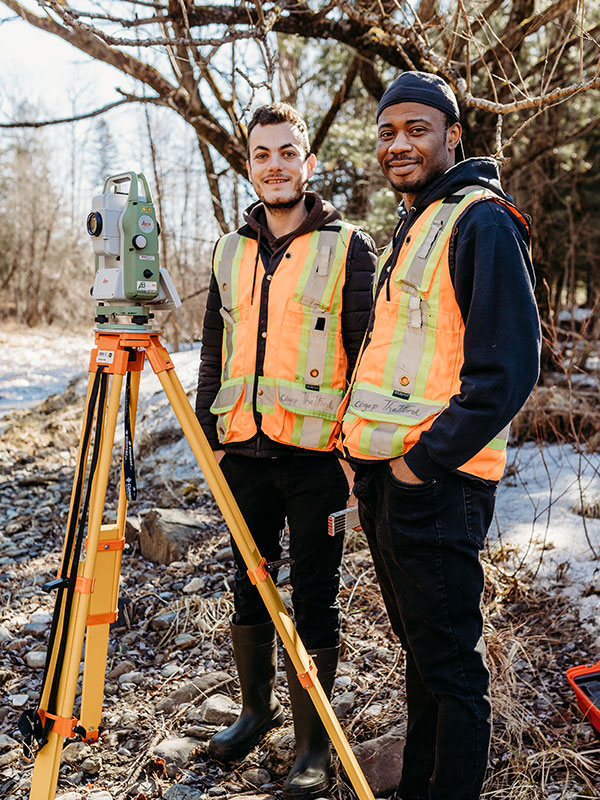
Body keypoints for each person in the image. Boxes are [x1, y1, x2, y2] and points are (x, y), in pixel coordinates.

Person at [339, 72, 541, 800]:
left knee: (453, 672)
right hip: (392, 483)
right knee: (424, 657)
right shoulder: (419, 218)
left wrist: (421, 465)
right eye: (389, 132)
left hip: (437, 486)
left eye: (417, 129)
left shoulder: (480, 220)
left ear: (453, 135)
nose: (400, 144)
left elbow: (508, 370)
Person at [195, 102, 376, 799]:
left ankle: (312, 746)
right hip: (242, 454)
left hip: (317, 461)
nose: (275, 164)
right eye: (262, 153)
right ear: (249, 164)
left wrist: (354, 459)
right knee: (248, 585)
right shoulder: (228, 250)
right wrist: (214, 443)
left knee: (316, 601)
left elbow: (364, 356)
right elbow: (215, 357)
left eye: (287, 151)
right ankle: (256, 710)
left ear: (308, 161)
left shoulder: (347, 248)